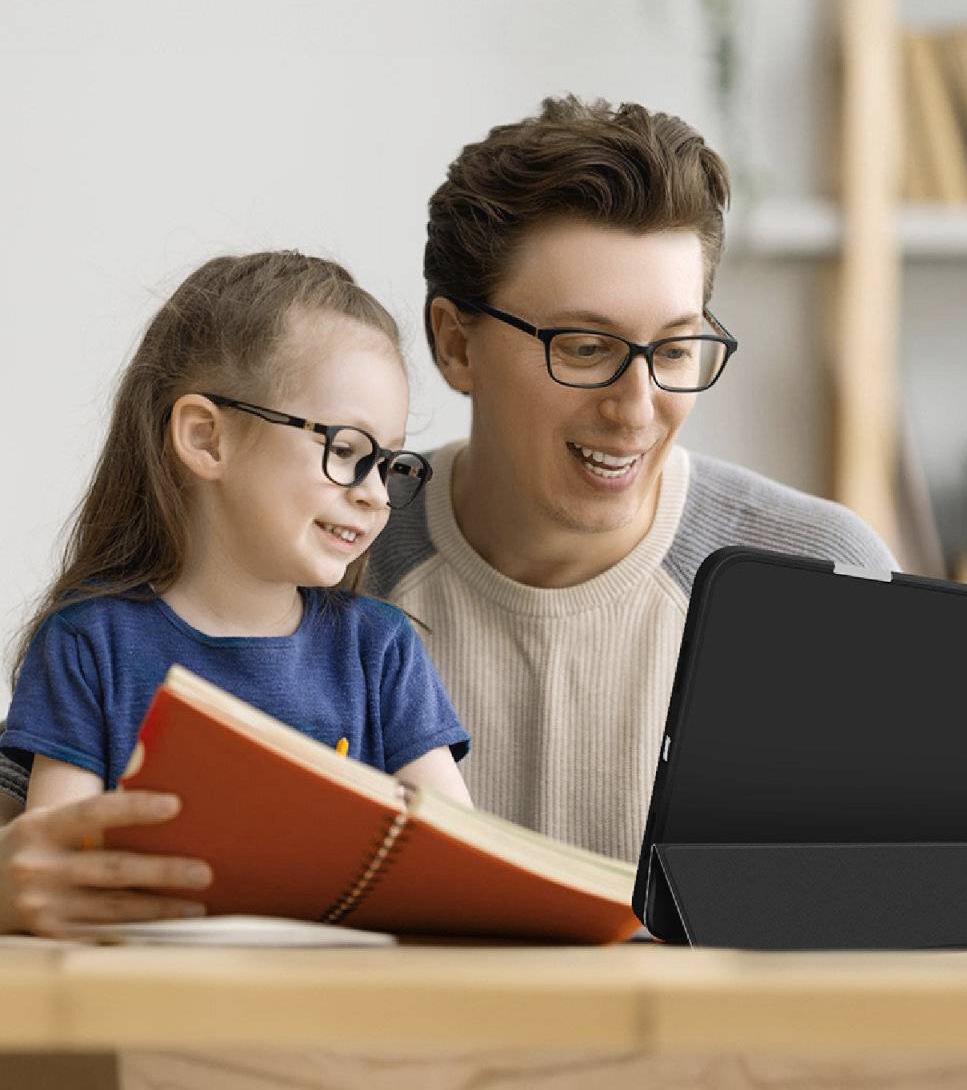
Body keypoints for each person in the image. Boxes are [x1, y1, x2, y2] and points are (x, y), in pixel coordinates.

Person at [366, 95, 896, 864]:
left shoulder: (821, 576)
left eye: (676, 351)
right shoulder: (336, 551)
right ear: (456, 345)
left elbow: (889, 931)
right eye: (584, 348)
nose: (636, 408)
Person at [0, 252, 470, 936]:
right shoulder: (87, 646)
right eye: (346, 450)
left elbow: (464, 864)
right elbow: (58, 885)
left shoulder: (381, 649)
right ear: (206, 438)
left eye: (389, 462)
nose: (374, 494)